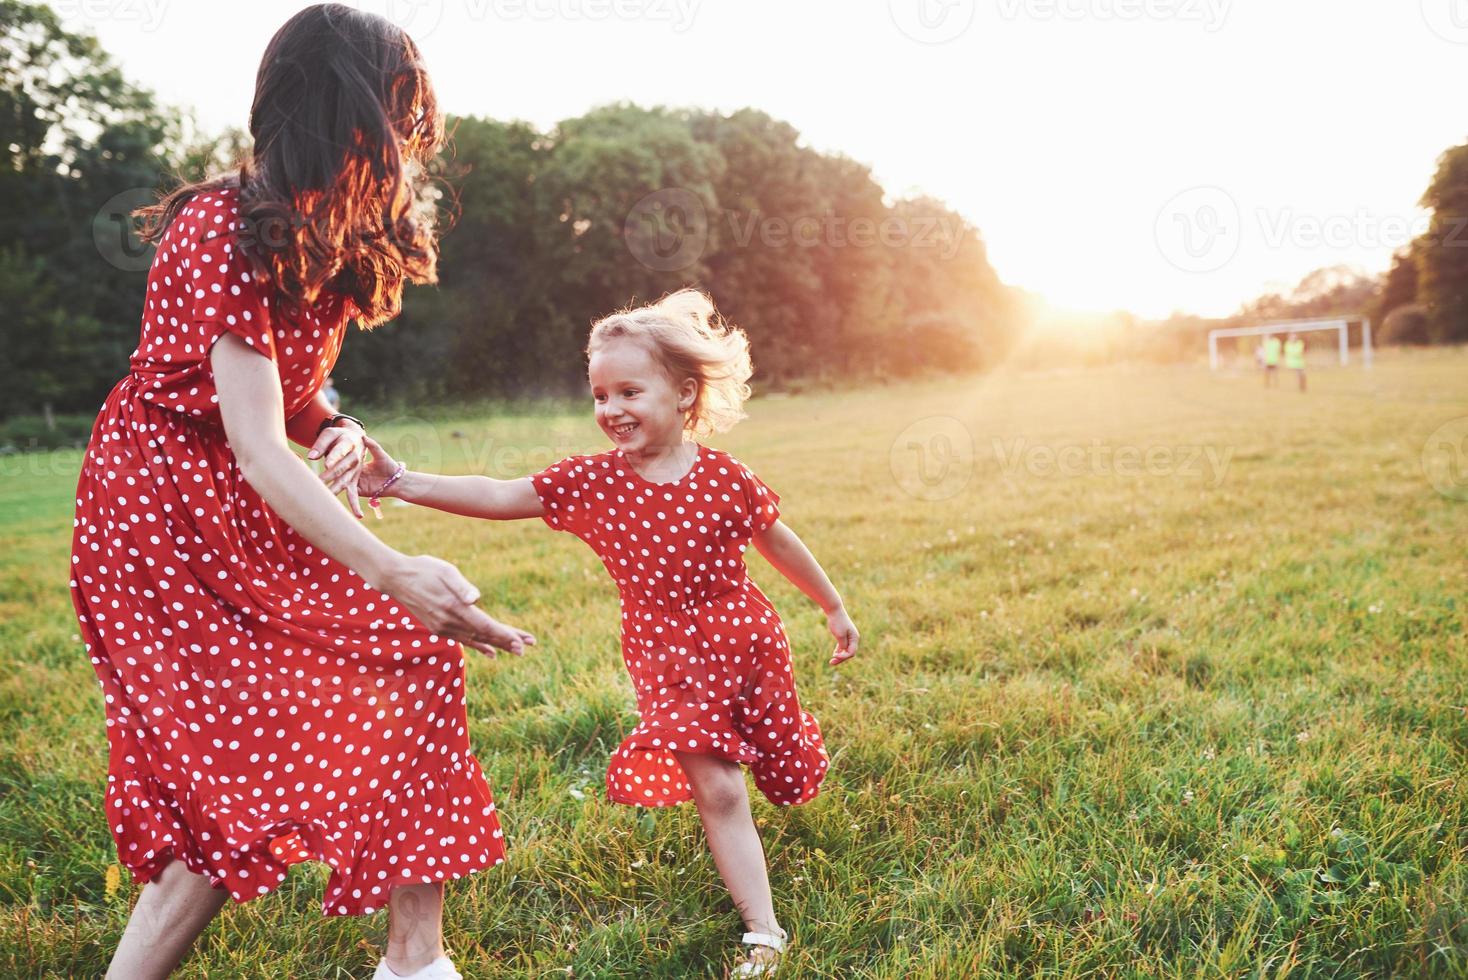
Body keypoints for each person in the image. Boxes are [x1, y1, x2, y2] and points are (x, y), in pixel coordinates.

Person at [67, 7, 533, 979]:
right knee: (224, 777)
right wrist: (394, 564)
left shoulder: (318, 236)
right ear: (349, 111)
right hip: (161, 505)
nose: (412, 138)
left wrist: (339, 428)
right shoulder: (218, 228)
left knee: (405, 659)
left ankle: (414, 960)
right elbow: (249, 440)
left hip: (243, 492)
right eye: (402, 111)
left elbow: (287, 404)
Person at [341, 289, 861, 978]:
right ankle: (763, 930)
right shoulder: (594, 484)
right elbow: (500, 494)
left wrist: (830, 605)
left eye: (628, 392)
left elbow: (778, 541)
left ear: (682, 394)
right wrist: (400, 481)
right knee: (722, 787)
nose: (610, 410)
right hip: (667, 654)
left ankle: (765, 853)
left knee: (772, 757)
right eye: (599, 395)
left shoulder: (727, 477)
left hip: (747, 641)